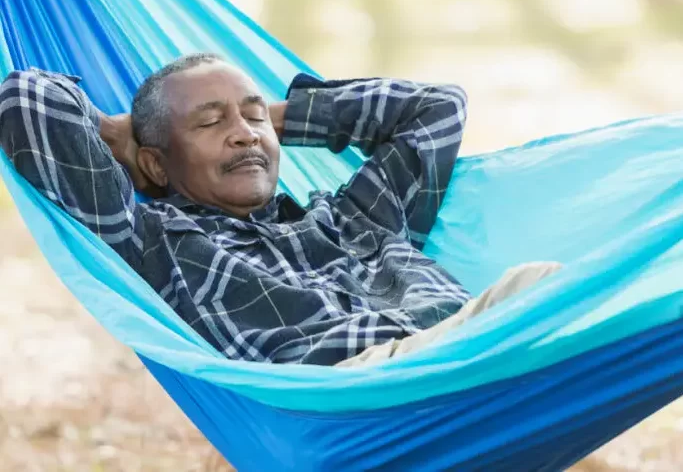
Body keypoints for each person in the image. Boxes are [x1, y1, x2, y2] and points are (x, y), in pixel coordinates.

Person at [0, 55, 559, 367]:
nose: (243, 135)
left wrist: (266, 120)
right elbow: (26, 99)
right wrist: (127, 135)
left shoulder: (355, 217)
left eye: (253, 118)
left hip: (480, 345)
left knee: (564, 290)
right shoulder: (155, 242)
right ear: (156, 164)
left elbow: (437, 110)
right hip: (363, 388)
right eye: (210, 123)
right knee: (544, 291)